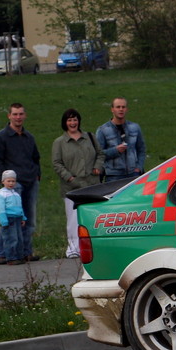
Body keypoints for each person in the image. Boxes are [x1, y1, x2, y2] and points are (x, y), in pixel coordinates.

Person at [52, 108, 104, 259]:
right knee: (73, 219)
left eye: (75, 120)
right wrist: (69, 178)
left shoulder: (90, 137)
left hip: (92, 185)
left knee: (93, 218)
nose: (72, 123)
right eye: (69, 120)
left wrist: (97, 167)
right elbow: (57, 163)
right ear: (65, 123)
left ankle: (94, 247)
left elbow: (100, 154)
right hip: (72, 188)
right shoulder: (59, 142)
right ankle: (74, 249)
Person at [0, 103, 39, 263]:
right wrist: (6, 181)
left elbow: (36, 157)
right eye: (15, 114)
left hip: (30, 181)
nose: (18, 117)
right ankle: (3, 254)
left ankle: (26, 252)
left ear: (24, 116)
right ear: (9, 116)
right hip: (13, 185)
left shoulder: (29, 137)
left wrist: (37, 174)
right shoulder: (2, 136)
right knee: (10, 221)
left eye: (20, 114)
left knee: (29, 220)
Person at [96, 96, 146, 182]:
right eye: (118, 107)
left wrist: (139, 167)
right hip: (113, 176)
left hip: (133, 174)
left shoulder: (135, 127)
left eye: (123, 107)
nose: (121, 109)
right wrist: (115, 151)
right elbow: (98, 155)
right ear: (112, 109)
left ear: (127, 109)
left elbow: (141, 149)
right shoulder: (103, 130)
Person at [0, 170, 26, 265]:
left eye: (13, 181)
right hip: (8, 219)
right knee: (11, 239)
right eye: (8, 181)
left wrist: (23, 217)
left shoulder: (16, 194)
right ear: (3, 181)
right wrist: (3, 221)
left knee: (19, 238)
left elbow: (20, 207)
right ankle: (11, 258)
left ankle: (19, 256)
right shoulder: (1, 193)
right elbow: (0, 208)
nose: (11, 183)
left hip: (17, 219)